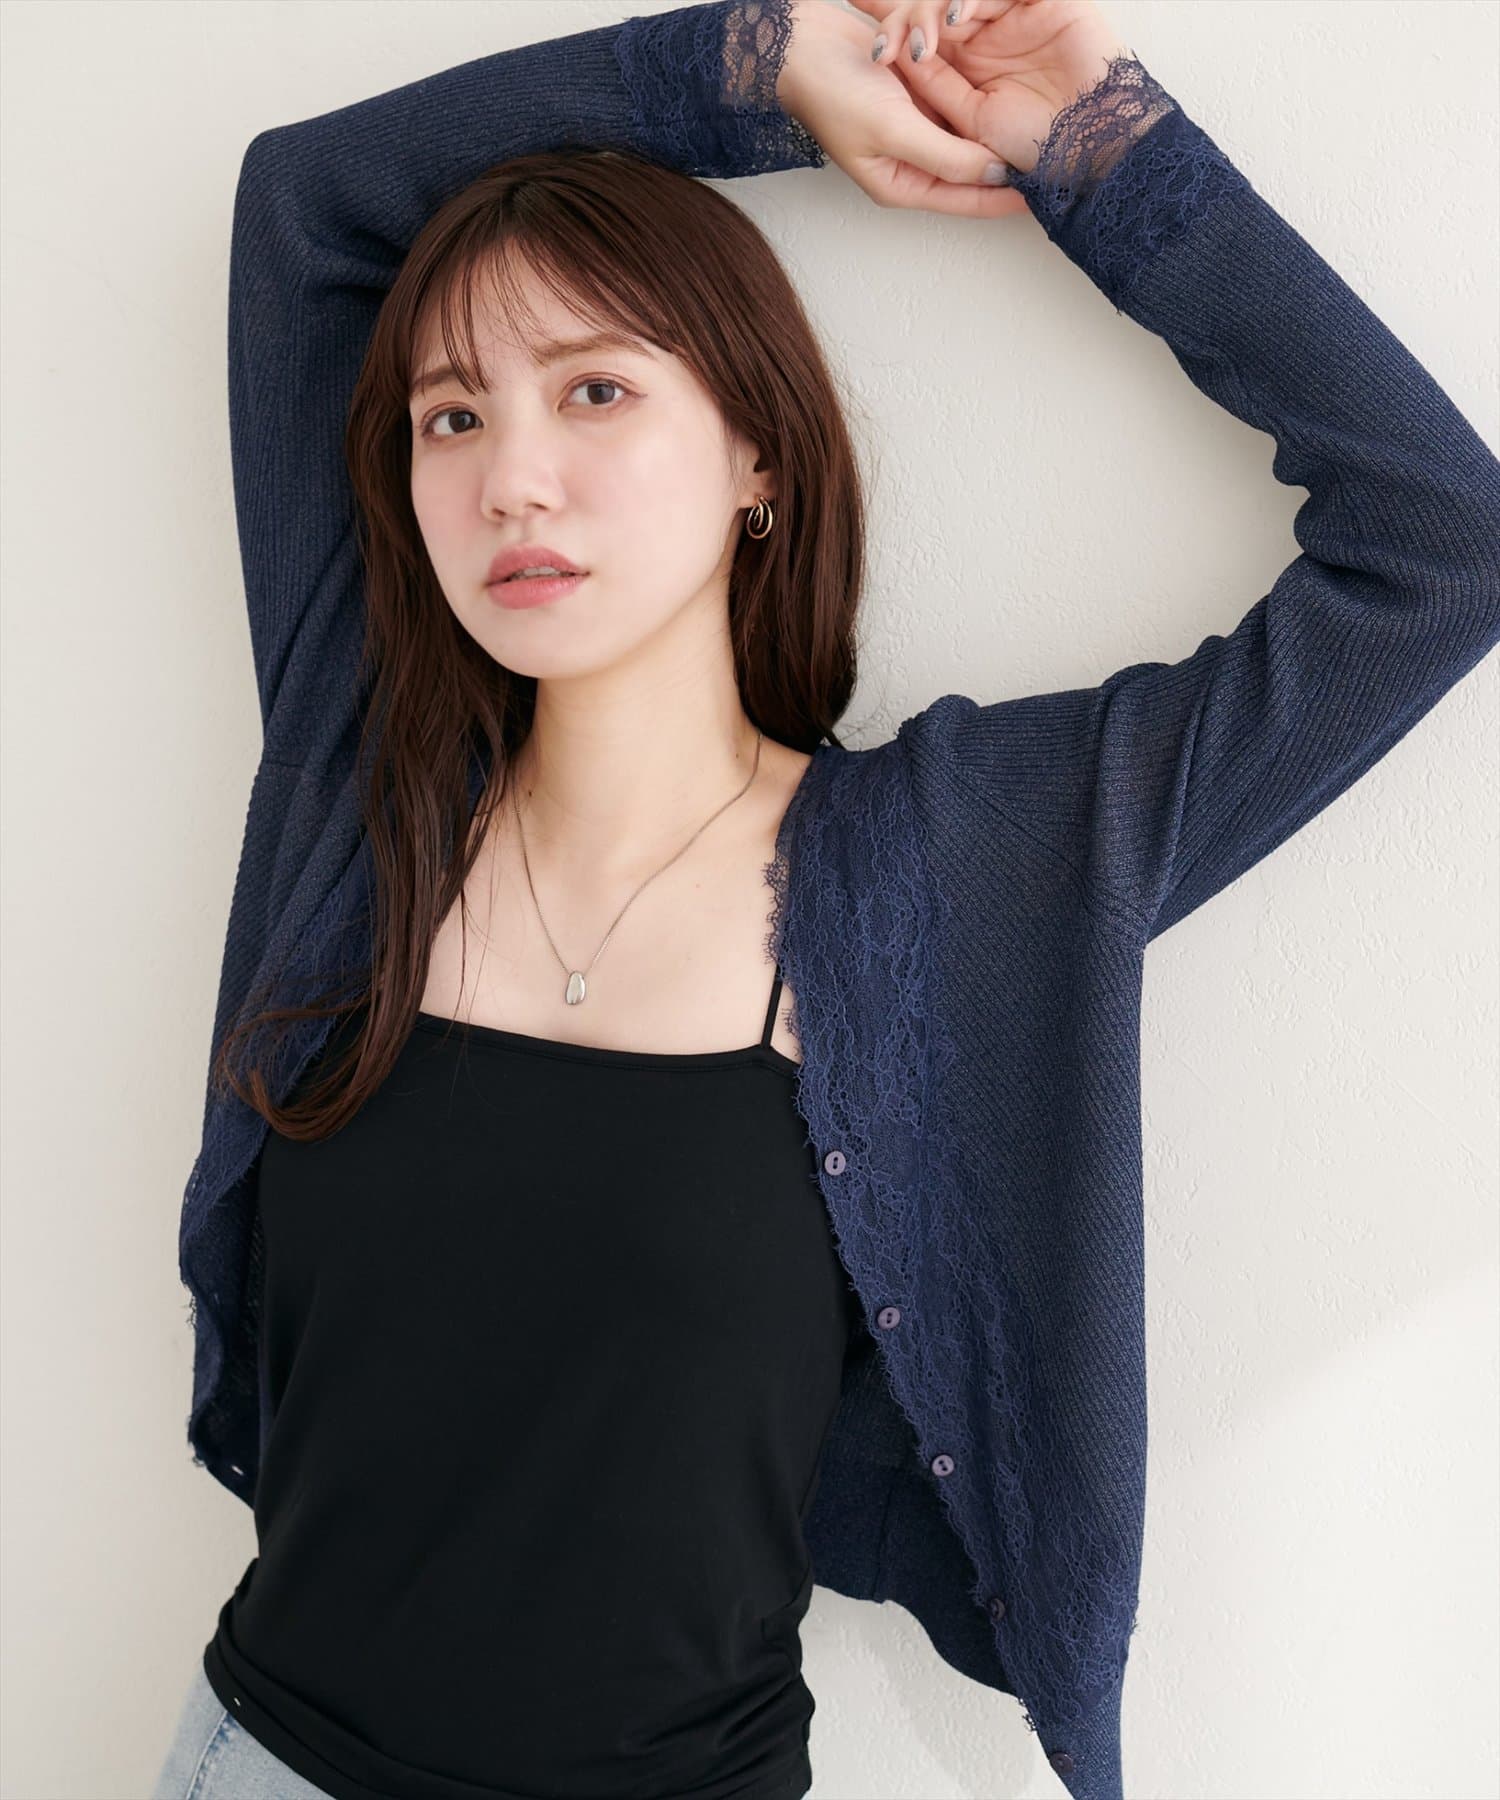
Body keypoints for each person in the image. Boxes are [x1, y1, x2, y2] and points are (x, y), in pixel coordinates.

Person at [156, 1, 1500, 1797]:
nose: (511, 477)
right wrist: (758, 59)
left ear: (758, 459)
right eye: (451, 415)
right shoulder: (365, 784)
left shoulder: (959, 867)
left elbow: (1441, 546)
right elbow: (309, 205)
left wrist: (1101, 152)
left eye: (597, 390)